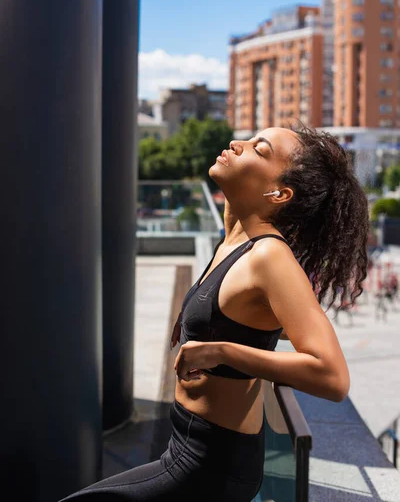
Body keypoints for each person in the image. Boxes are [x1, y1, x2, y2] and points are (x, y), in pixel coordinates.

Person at [61, 123, 369, 502]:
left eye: (259, 149)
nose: (237, 144)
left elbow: (333, 378)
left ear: (278, 193)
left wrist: (220, 350)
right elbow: (257, 314)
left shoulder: (270, 256)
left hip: (210, 467)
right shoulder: (235, 235)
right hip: (185, 447)